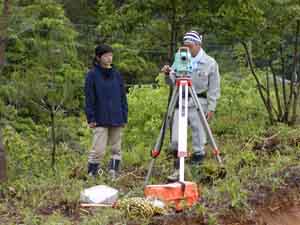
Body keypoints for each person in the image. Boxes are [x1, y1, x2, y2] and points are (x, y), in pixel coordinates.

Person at [161, 31, 220, 181]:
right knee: (175, 139)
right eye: (185, 45)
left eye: (190, 45)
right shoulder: (180, 58)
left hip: (199, 102)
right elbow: (171, 81)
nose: (187, 48)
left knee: (199, 138)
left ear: (198, 44)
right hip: (180, 100)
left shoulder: (210, 62)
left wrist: (212, 107)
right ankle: (177, 170)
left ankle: (197, 171)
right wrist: (168, 74)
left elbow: (214, 88)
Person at [84, 44, 128, 179]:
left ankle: (113, 172)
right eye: (106, 55)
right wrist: (90, 118)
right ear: (98, 57)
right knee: (98, 149)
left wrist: (124, 116)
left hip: (117, 116)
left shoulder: (116, 74)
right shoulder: (92, 75)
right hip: (99, 117)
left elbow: (122, 96)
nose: (109, 58)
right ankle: (92, 174)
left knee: (116, 148)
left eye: (111, 55)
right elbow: (89, 98)